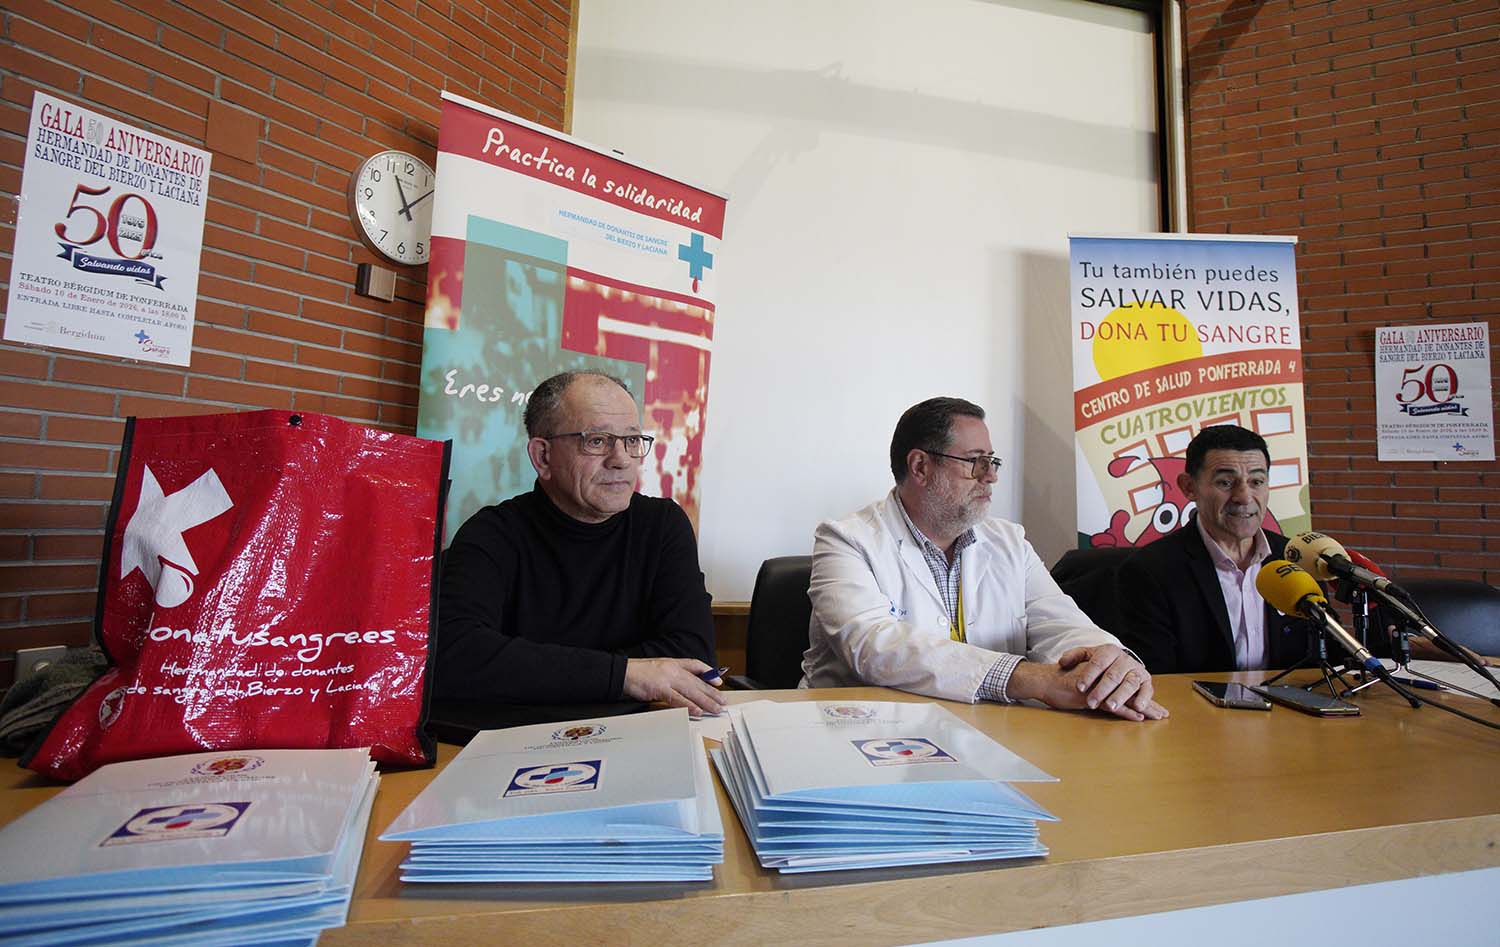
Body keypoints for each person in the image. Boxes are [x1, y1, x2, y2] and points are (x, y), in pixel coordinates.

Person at [801, 397, 1167, 721]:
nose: (990, 476)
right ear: (920, 467)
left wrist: (1106, 662)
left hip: (988, 731)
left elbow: (1062, 624)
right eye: (976, 461)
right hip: (864, 732)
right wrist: (1031, 679)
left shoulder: (1009, 542)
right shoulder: (846, 540)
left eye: (992, 462)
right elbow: (874, 647)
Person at [435, 370, 726, 716]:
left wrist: (544, 673)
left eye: (632, 440)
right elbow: (455, 654)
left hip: (637, 730)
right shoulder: (492, 534)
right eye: (597, 441)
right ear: (543, 456)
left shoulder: (662, 525)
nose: (621, 459)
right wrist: (626, 676)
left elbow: (693, 657)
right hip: (522, 736)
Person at [1115, 425, 1313, 674]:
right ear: (1189, 487)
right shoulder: (1150, 571)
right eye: (1226, 482)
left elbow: (1322, 661)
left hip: (1289, 699)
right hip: (1193, 700)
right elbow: (1155, 677)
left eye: (1256, 482)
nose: (1244, 497)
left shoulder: (1298, 559)